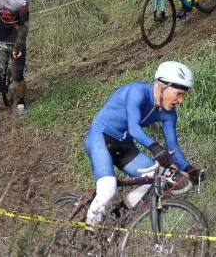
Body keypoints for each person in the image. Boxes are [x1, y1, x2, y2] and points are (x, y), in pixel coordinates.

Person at [83, 61, 205, 227]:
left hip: (124, 146)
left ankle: (115, 218)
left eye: (184, 95)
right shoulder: (137, 92)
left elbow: (172, 146)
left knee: (158, 178)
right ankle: (87, 240)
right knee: (108, 187)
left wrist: (188, 169)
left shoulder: (169, 114)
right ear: (162, 86)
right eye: (178, 94)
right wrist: (155, 147)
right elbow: (134, 127)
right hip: (101, 137)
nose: (181, 100)